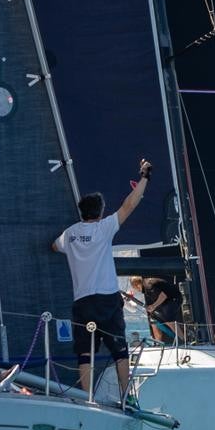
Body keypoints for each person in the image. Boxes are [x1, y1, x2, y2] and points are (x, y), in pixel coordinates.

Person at [53, 159, 151, 400]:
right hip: (107, 300)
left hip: (82, 301)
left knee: (85, 353)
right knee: (119, 350)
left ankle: (87, 398)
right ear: (100, 212)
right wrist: (145, 177)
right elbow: (130, 204)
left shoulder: (70, 233)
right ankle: (126, 394)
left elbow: (54, 246)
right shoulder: (103, 228)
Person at [130, 276, 182, 343]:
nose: (136, 290)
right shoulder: (145, 284)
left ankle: (183, 339)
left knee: (169, 320)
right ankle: (158, 343)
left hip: (174, 299)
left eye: (134, 288)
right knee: (153, 321)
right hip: (166, 300)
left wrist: (153, 306)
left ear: (137, 285)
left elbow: (163, 296)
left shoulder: (149, 285)